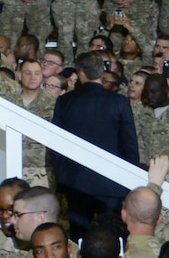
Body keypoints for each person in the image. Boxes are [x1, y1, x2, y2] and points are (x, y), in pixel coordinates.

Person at [48, 51, 141, 226]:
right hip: (113, 182)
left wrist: (63, 178)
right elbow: (129, 144)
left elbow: (56, 144)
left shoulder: (65, 101)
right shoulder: (119, 102)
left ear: (81, 73)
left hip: (76, 182)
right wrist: (132, 179)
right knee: (112, 235)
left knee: (79, 236)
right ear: (101, 72)